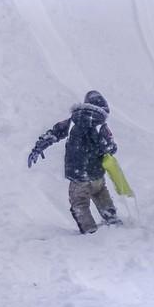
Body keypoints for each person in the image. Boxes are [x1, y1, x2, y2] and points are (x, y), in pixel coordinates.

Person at [28, 90, 122, 234]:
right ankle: (111, 220)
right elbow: (110, 148)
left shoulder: (73, 121)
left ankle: (90, 231)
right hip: (96, 174)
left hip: (78, 177)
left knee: (79, 203)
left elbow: (55, 132)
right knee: (100, 192)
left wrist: (39, 147)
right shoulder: (100, 126)